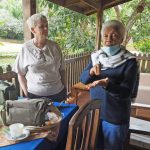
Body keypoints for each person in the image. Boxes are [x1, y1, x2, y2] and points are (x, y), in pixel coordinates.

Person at [80, 20, 138, 150]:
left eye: (114, 36)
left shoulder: (129, 61)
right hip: (95, 112)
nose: (109, 39)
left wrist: (107, 85)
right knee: (95, 146)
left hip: (115, 115)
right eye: (105, 36)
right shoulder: (96, 57)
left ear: (122, 38)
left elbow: (126, 92)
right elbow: (83, 79)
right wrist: (90, 72)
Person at [13, 13, 66, 102]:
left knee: (60, 116)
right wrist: (27, 93)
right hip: (35, 96)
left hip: (58, 94)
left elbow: (62, 69)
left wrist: (65, 87)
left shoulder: (55, 46)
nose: (46, 29)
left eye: (46, 25)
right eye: (41, 26)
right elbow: (20, 74)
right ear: (33, 30)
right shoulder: (25, 48)